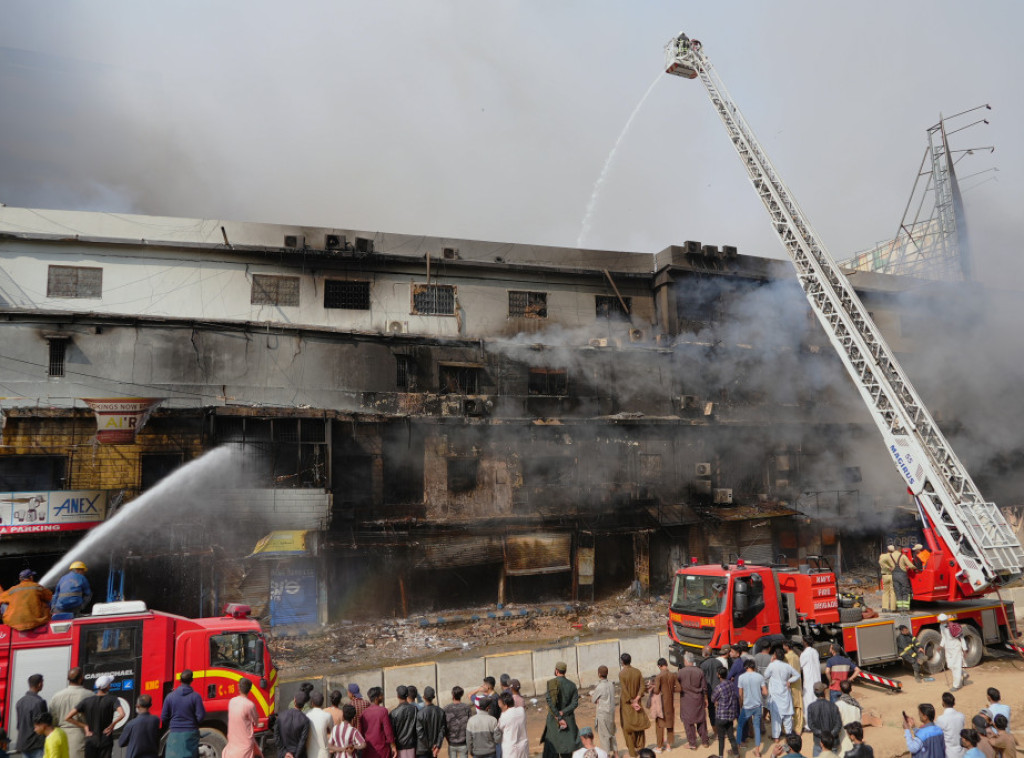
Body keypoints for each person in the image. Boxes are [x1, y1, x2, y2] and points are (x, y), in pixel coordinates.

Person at [66, 675, 124, 758]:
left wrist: (85, 726)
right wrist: (112, 725)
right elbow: (122, 714)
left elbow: (68, 717)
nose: (110, 685)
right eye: (109, 684)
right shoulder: (113, 699)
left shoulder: (86, 701)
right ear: (107, 686)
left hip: (91, 739)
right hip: (106, 739)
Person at [161, 670, 205, 758]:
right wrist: (192, 723)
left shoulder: (170, 697)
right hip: (191, 732)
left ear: (180, 680)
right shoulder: (196, 696)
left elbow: (164, 717)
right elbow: (201, 716)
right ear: (192, 680)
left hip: (174, 733)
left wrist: (173, 725)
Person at [541, 662, 580, 758]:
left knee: (552, 749)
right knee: (566, 750)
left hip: (553, 721)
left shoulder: (551, 684)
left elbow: (550, 702)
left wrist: (558, 715)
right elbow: (575, 703)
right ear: (565, 671)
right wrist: (563, 712)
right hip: (568, 720)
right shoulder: (572, 685)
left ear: (556, 670)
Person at [49, 668, 89, 758]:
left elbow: (52, 719)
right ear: (81, 678)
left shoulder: (56, 696)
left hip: (60, 735)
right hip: (80, 735)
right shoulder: (89, 695)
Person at [764, 647, 801, 742]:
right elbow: (797, 675)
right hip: (785, 693)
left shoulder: (772, 665)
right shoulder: (787, 666)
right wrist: (789, 680)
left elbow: (765, 675)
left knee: (776, 717)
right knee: (787, 716)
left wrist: (771, 662)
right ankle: (788, 736)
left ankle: (776, 738)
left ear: (775, 656)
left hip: (775, 695)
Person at [618, 653, 650, 758]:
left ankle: (632, 753)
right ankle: (641, 751)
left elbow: (624, 690)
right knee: (640, 727)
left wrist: (632, 701)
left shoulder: (622, 674)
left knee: (628, 729)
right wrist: (637, 699)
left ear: (622, 662)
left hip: (627, 705)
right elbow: (642, 686)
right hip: (638, 703)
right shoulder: (637, 672)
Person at [677, 652, 709, 750]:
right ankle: (705, 741)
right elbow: (704, 687)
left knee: (688, 722)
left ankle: (692, 744)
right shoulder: (699, 671)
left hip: (686, 699)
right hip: (698, 699)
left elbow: (677, 686)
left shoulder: (680, 672)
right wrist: (706, 698)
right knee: (701, 721)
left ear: (686, 661)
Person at [224, 680, 262, 758]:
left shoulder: (232, 701)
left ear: (238, 687)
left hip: (233, 740)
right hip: (245, 742)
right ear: (250, 689)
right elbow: (255, 721)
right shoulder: (249, 705)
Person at [737, 660, 766, 757]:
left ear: (745, 667)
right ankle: (757, 751)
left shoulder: (741, 677)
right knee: (757, 728)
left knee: (740, 725)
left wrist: (740, 704)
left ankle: (737, 748)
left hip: (747, 706)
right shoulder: (760, 676)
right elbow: (765, 692)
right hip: (757, 705)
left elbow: (740, 694)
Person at [805, 683, 841, 758]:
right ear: (824, 692)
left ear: (815, 693)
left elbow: (811, 725)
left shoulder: (811, 707)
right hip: (832, 742)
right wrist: (830, 736)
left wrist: (822, 736)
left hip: (818, 741)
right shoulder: (833, 706)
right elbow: (838, 725)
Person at [16, 674, 48, 758]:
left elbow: (19, 725)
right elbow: (43, 725)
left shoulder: (20, 702)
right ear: (39, 684)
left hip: (23, 743)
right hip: (37, 744)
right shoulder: (39, 702)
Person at [711, 668, 739, 758]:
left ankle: (721, 756)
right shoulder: (732, 684)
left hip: (721, 716)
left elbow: (712, 699)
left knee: (721, 738)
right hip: (730, 716)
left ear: (719, 675)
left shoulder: (719, 687)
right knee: (731, 737)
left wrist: (717, 702)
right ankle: (736, 754)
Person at [359, 688, 395, 758]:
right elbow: (388, 732)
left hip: (368, 749)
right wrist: (393, 746)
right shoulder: (383, 711)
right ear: (376, 698)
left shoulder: (364, 713)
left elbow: (361, 732)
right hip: (382, 749)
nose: (383, 697)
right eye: (381, 695)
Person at [652, 658, 679, 751]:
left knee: (659, 725)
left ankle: (659, 747)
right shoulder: (673, 675)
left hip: (661, 703)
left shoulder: (659, 676)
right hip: (670, 703)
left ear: (659, 666)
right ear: (666, 664)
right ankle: (668, 745)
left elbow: (656, 691)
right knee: (670, 724)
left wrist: (653, 688)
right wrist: (670, 691)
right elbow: (679, 689)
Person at [590, 666, 618, 757]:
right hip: (611, 712)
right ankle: (616, 753)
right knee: (612, 733)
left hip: (602, 713)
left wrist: (594, 696)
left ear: (599, 674)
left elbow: (594, 700)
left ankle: (607, 755)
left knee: (604, 736)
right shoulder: (611, 684)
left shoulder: (600, 687)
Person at [937, 615, 968, 691]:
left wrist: (964, 649)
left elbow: (961, 638)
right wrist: (941, 646)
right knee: (950, 665)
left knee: (956, 667)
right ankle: (963, 673)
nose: (942, 622)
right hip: (948, 649)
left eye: (943, 621)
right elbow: (944, 637)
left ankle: (956, 685)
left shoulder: (954, 627)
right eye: (941, 621)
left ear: (946, 620)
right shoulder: (941, 627)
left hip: (956, 648)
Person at [278, 692, 312, 758]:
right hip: (299, 755)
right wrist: (295, 756)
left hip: (283, 754)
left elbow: (277, 737)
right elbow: (303, 740)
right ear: (304, 704)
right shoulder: (305, 720)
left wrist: (285, 753)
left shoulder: (281, 716)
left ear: (294, 700)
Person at [416, 687, 446, 758]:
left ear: (423, 697)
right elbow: (442, 730)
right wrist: (437, 745)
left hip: (423, 749)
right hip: (434, 748)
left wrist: (430, 746)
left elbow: (420, 733)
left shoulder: (420, 713)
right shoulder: (441, 712)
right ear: (434, 697)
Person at [700, 646, 726, 727]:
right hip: (720, 690)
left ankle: (715, 731)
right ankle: (723, 728)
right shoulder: (718, 662)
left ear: (705, 654)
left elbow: (702, 680)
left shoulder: (703, 665)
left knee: (711, 711)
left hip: (709, 691)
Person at [390, 687, 419, 758]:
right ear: (407, 695)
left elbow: (391, 732)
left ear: (398, 696)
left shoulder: (393, 713)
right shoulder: (415, 710)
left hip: (399, 747)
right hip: (412, 745)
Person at [833, 683, 860, 757]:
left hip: (843, 737)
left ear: (840, 690)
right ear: (851, 690)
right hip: (855, 737)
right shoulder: (856, 705)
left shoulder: (838, 705)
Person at [444, 687, 472, 758]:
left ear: (452, 695)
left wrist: (448, 739)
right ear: (461, 695)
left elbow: (444, 726)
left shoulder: (446, 708)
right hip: (463, 742)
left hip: (451, 743)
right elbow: (470, 725)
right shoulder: (467, 708)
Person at [496, 692, 526, 758]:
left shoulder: (504, 716)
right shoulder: (521, 710)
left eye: (501, 707)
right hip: (523, 746)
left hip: (510, 749)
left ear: (506, 706)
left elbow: (499, 728)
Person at [782, 641, 804, 735]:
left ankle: (789, 729)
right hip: (798, 684)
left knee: (789, 707)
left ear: (786, 646)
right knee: (798, 707)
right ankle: (799, 728)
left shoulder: (786, 657)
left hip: (789, 684)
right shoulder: (796, 656)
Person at [936, 692, 965, 758]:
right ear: (953, 703)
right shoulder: (961, 716)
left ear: (943, 703)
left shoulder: (941, 719)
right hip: (962, 751)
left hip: (949, 753)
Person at [309, 692, 335, 758]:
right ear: (322, 703)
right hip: (324, 754)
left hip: (309, 753)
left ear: (312, 703)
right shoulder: (327, 716)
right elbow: (333, 732)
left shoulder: (306, 715)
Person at [800, 639, 821, 712]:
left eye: (803, 641)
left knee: (808, 698)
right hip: (817, 678)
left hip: (808, 680)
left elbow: (800, 665)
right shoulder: (815, 652)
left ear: (805, 642)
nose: (802, 642)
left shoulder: (804, 654)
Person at [893, 548, 915, 612]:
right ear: (900, 550)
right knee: (905, 591)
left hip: (894, 576)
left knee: (898, 591)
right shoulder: (903, 556)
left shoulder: (890, 556)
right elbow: (910, 565)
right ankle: (905, 608)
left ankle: (900, 608)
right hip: (902, 576)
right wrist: (915, 569)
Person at [878, 546, 898, 613]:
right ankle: (893, 608)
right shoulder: (894, 557)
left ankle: (884, 608)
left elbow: (880, 562)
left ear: (887, 549)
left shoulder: (882, 556)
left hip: (885, 576)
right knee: (893, 592)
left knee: (885, 592)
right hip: (892, 575)